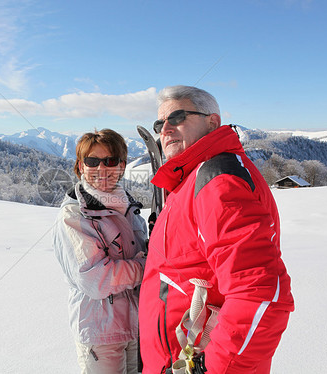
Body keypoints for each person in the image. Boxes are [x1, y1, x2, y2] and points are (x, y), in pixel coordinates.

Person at [138, 86, 295, 373]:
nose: (166, 129)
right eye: (160, 123)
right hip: (172, 357)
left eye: (178, 117)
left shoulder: (217, 181)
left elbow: (260, 294)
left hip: (196, 361)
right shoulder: (191, 179)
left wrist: (213, 367)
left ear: (212, 122)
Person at [53, 128, 147, 374]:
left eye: (111, 161)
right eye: (92, 161)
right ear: (80, 166)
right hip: (100, 332)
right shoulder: (75, 215)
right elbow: (95, 279)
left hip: (136, 326)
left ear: (122, 166)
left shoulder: (129, 207)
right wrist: (144, 267)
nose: (101, 168)